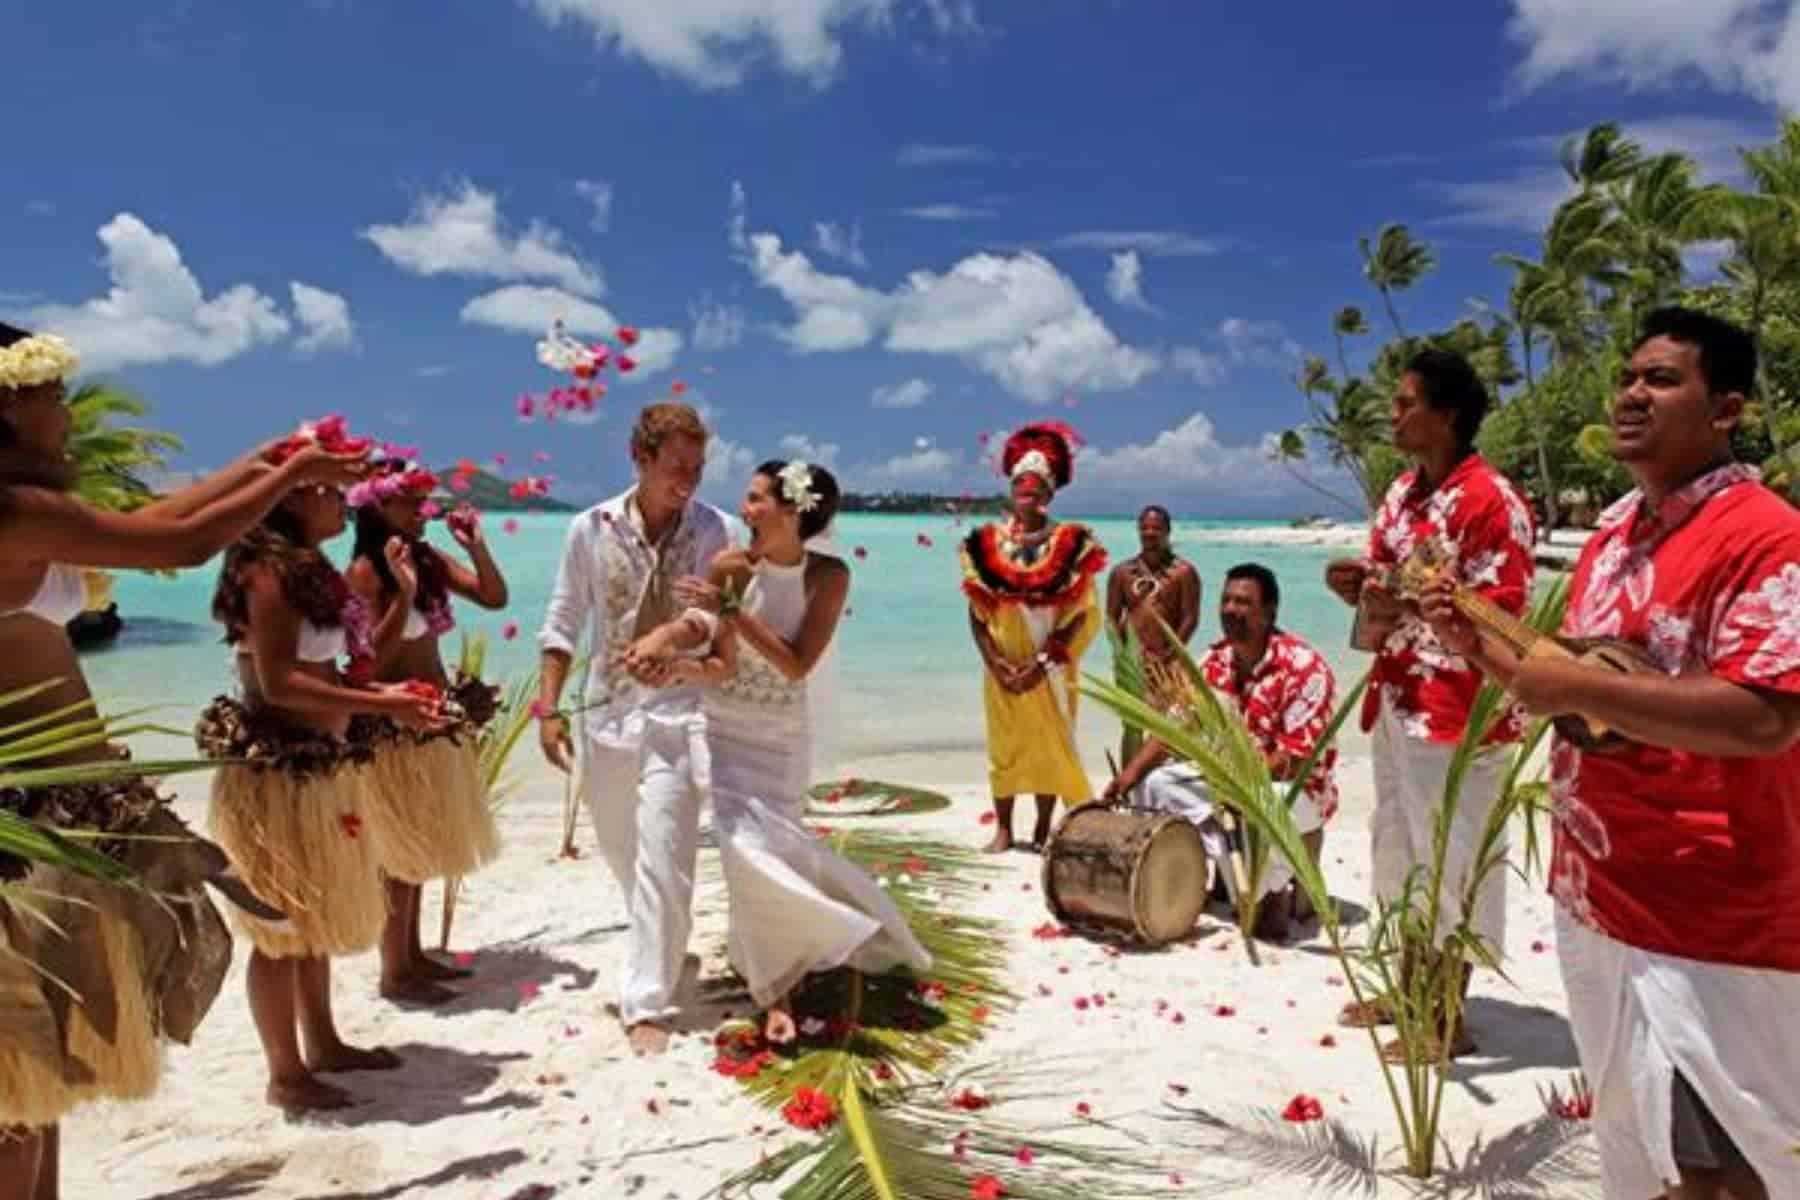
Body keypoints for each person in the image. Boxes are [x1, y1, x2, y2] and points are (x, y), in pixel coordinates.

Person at [1421, 307, 1800, 1200]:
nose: (1631, 394)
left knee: (1719, 1169)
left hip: (1709, 915)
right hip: (1599, 897)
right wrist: (1478, 646)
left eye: (1661, 380)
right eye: (1627, 377)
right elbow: (1575, 694)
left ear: (1727, 409)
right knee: (1641, 1150)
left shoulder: (1767, 535)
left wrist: (1575, 687)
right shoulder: (1614, 534)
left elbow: (1766, 717)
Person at [0, 323, 370, 1198]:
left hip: (64, 807)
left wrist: (263, 460)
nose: (68, 414)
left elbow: (155, 522)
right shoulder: (10, 511)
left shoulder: (29, 506)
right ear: (6, 408)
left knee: (42, 1078)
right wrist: (289, 475)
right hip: (24, 817)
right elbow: (181, 547)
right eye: (54, 397)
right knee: (14, 1097)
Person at [627, 460, 931, 1046]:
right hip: (724, 729)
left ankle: (808, 947)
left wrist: (733, 611)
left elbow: (795, 664)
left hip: (782, 736)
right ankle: (775, 995)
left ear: (791, 511)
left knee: (776, 853)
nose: (744, 510)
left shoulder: (829, 576)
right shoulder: (730, 567)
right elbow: (722, 664)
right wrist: (675, 664)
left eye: (755, 499)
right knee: (743, 855)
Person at [201, 452, 443, 1112]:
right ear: (291, 498)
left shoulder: (307, 569)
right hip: (279, 775)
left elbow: (332, 674)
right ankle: (285, 1074)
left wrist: (388, 694)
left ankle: (324, 1043)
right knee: (281, 928)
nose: (343, 501)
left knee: (314, 914)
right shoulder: (263, 571)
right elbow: (279, 682)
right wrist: (382, 704)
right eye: (330, 491)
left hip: (321, 770)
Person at [1323, 346, 1534, 1060]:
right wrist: (1362, 589)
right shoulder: (1400, 496)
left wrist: (1427, 606)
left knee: (1454, 856)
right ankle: (1409, 987)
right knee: (1399, 848)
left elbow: (1507, 617)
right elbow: (1388, 588)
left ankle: (1445, 1016)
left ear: (1446, 415)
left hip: (1461, 712)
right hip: (1397, 697)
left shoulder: (1492, 502)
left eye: (1405, 402)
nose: (1392, 414)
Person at [536, 402, 732, 1057]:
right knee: (625, 855)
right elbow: (563, 619)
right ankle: (663, 942)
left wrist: (672, 634)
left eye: (697, 467)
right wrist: (548, 708)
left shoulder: (715, 528)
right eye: (677, 465)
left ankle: (646, 1001)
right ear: (640, 458)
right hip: (606, 716)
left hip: (681, 715)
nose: (689, 480)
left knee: (667, 855)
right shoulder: (588, 529)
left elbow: (716, 616)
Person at [1104, 563, 1338, 941]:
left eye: (1243, 602)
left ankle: (1270, 894)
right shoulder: (1212, 663)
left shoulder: (1305, 668)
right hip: (1227, 782)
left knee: (1265, 804)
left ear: (1269, 612)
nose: (1230, 609)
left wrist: (1238, 786)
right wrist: (1128, 776)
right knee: (1156, 784)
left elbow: (1297, 757)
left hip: (1294, 788)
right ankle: (1190, 880)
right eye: (1226, 600)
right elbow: (1173, 731)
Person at [347, 459, 507, 1006]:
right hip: (395, 726)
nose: (424, 511)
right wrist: (404, 594)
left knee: (419, 847)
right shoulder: (365, 573)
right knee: (398, 853)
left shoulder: (426, 557)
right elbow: (367, 662)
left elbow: (493, 597)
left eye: (424, 501)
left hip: (433, 720)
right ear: (378, 506)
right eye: (412, 502)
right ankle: (394, 971)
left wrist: (477, 547)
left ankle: (412, 957)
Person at [962, 422, 1107, 853]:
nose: (1027, 495)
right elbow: (976, 614)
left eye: (1036, 488)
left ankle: (1044, 828)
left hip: (1051, 667)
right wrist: (996, 663)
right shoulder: (987, 543)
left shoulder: (1072, 542)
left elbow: (1083, 615)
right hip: (1003, 668)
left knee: (1050, 745)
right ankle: (1004, 829)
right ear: (1011, 492)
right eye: (1020, 487)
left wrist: (1042, 664)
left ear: (1049, 494)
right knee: (1004, 746)